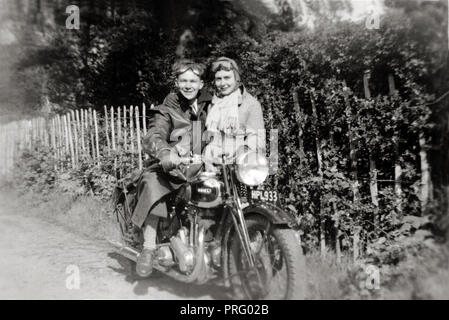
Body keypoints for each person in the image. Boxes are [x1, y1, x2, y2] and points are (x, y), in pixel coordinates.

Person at [132, 59, 212, 277]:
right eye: (183, 80)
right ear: (177, 83)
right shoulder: (167, 109)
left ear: (201, 83)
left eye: (193, 81)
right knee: (153, 185)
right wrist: (166, 154)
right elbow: (155, 134)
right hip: (173, 167)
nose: (188, 85)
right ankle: (148, 248)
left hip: (205, 166)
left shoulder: (211, 105)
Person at [203, 57, 266, 168]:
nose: (223, 83)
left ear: (236, 78)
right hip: (213, 163)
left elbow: (258, 137)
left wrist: (241, 151)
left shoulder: (250, 104)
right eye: (218, 79)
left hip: (239, 164)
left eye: (227, 78)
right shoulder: (213, 104)